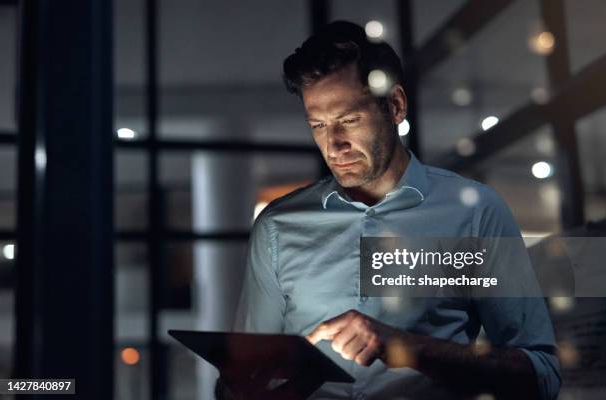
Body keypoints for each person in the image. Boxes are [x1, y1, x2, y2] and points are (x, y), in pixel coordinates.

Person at [231, 21, 561, 399]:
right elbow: (242, 377)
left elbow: (541, 376)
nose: (333, 144)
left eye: (349, 120)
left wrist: (409, 348)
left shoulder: (475, 214)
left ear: (396, 106)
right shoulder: (277, 226)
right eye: (318, 125)